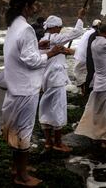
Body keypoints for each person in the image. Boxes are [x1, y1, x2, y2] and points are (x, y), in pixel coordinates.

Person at [1, 0, 65, 186]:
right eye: (34, 4)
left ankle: (16, 168)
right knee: (24, 131)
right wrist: (51, 53)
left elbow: (23, 53)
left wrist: (39, 47)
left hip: (15, 86)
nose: (37, 7)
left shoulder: (13, 27)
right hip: (26, 89)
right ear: (27, 7)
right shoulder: (27, 29)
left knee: (16, 130)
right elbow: (31, 61)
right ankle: (23, 177)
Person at [39, 9, 85, 152]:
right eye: (59, 27)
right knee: (58, 110)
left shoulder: (42, 40)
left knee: (46, 109)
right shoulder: (55, 38)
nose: (60, 30)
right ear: (54, 27)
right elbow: (77, 32)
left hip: (45, 80)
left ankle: (48, 142)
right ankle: (58, 143)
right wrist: (80, 17)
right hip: (56, 80)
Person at [73, 19, 101, 95]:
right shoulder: (95, 34)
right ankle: (86, 92)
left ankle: (83, 91)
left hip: (78, 55)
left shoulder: (88, 32)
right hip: (86, 56)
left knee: (80, 74)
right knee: (89, 74)